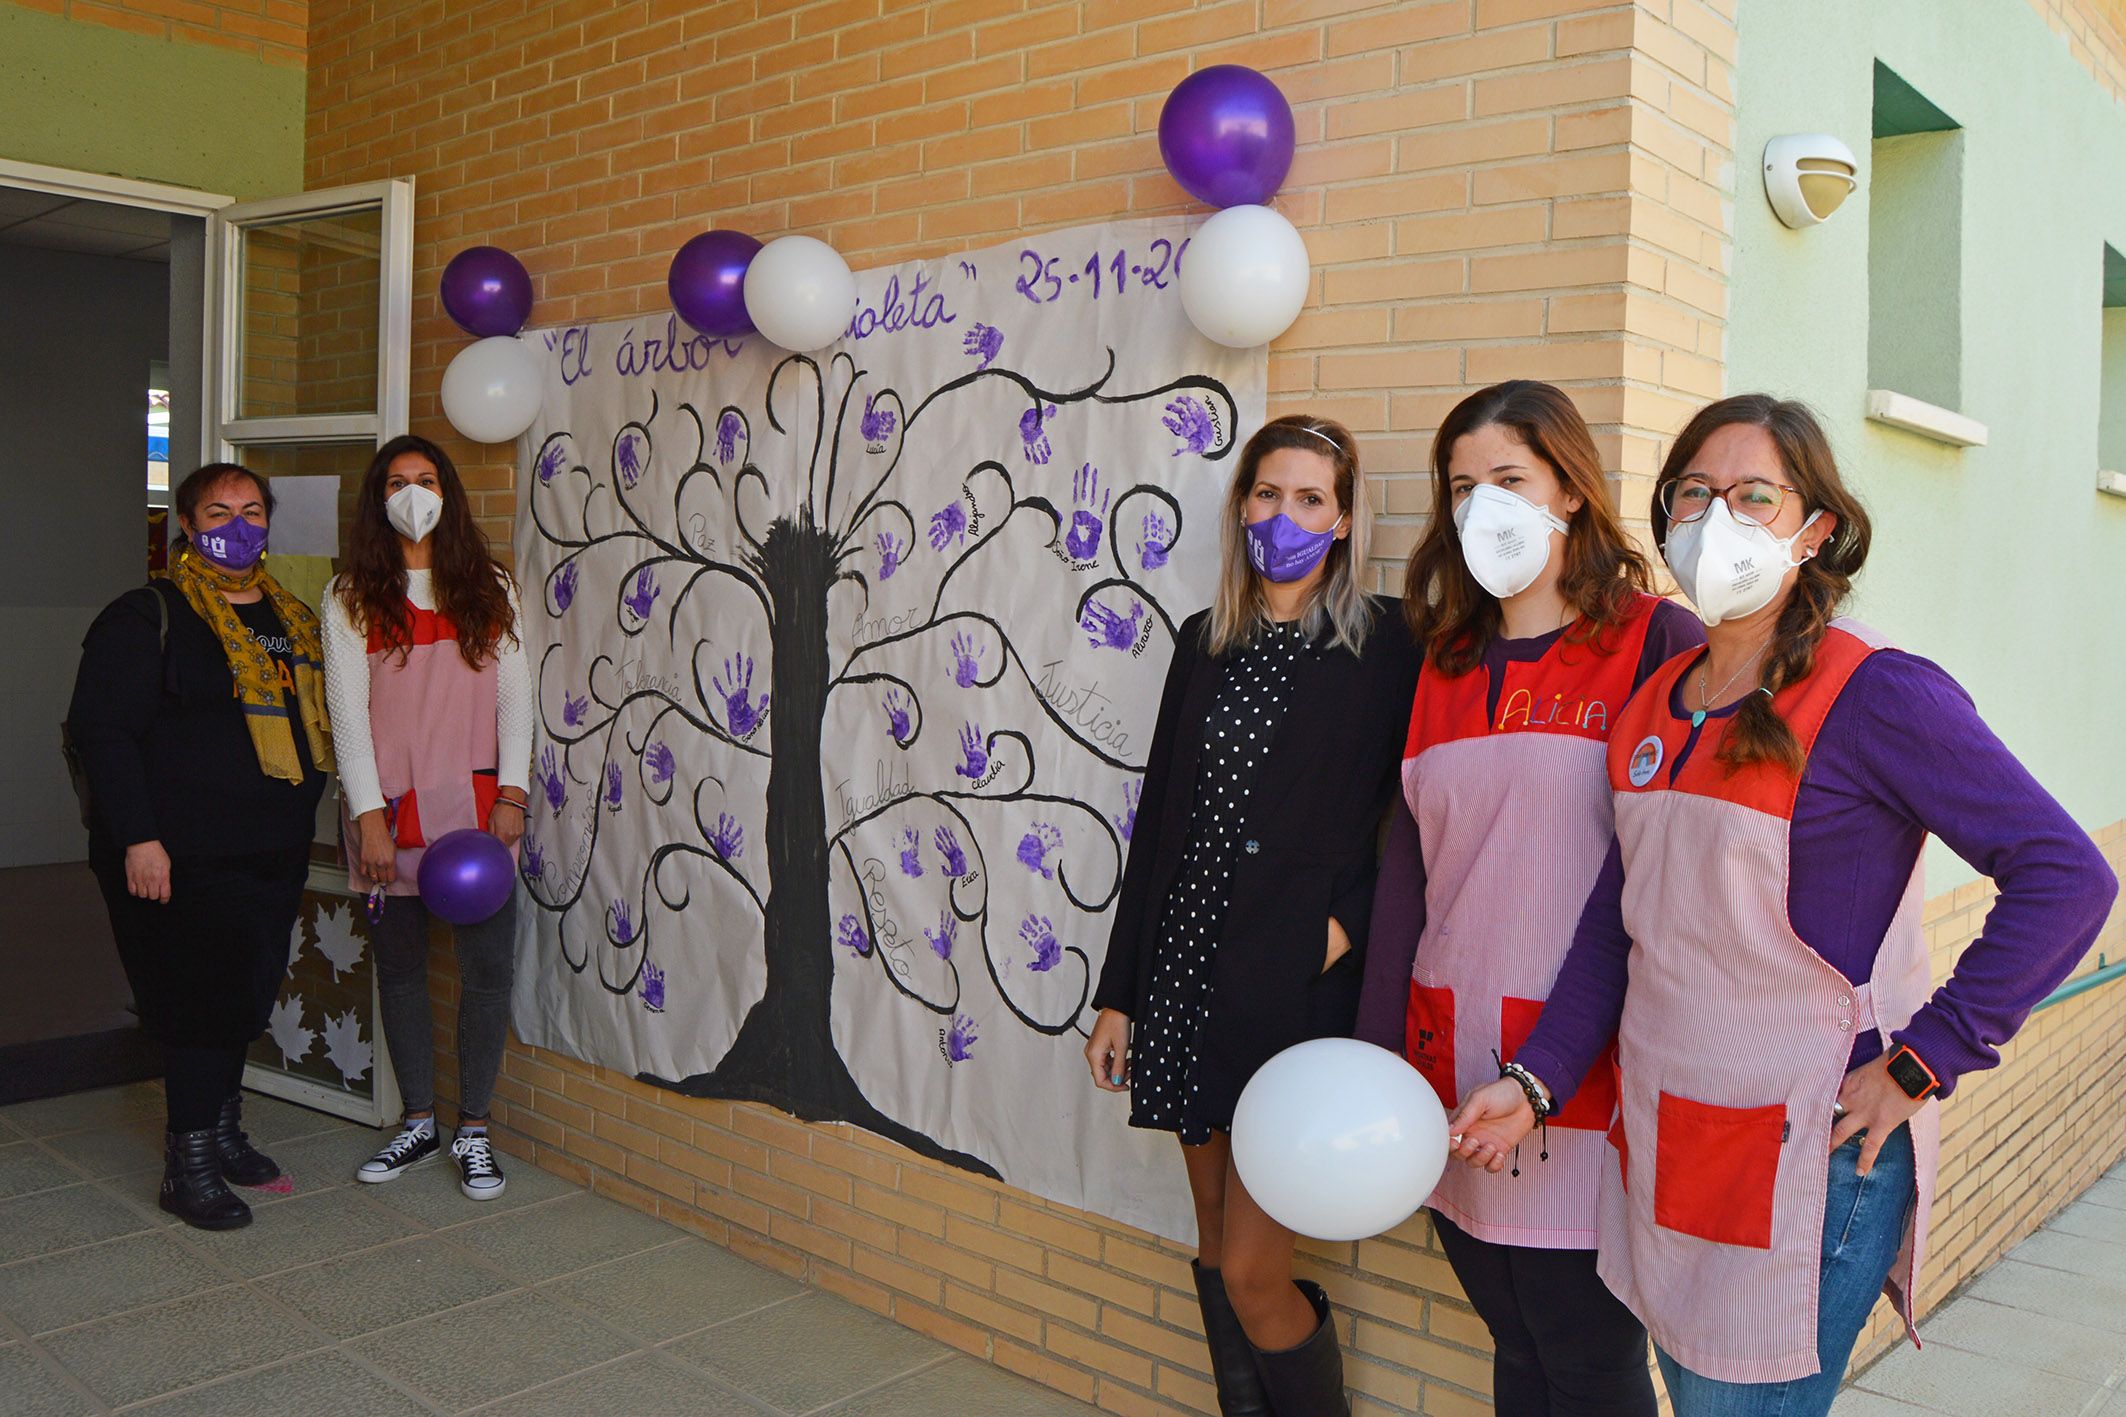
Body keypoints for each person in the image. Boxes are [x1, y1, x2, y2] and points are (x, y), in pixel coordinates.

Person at [1447, 395, 2119, 1417]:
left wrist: (1923, 1058)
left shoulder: (1875, 691)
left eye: (1752, 496)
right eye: (1692, 494)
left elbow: (2066, 875)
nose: (1715, 518)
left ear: (1812, 531)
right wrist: (1534, 1080)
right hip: (1670, 1135)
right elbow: (1615, 925)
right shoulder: (1655, 699)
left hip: (1807, 1156)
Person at [1354, 382, 1702, 1416]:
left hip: (1577, 1058)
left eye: (1508, 479)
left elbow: (1657, 866)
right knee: (1512, 1335)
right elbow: (1406, 870)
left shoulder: (1655, 641)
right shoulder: (1442, 661)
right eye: (1460, 488)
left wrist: (1551, 1057)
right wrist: (1378, 1058)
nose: (1482, 508)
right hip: (1445, 1047)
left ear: (1569, 490)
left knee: (1585, 1353)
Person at [1084, 415, 1420, 1417]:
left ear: (1344, 518)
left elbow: (1417, 820)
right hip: (1185, 970)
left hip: (1289, 984)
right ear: (1240, 509)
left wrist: (1343, 928)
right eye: (1268, 495)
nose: (1285, 515)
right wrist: (1119, 996)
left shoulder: (1388, 645)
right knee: (1210, 1238)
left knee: (1250, 1269)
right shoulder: (1206, 638)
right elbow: (1158, 826)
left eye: (1310, 498)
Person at [67, 463, 333, 1230]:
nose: (239, 524)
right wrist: (139, 838)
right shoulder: (148, 614)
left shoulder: (290, 615)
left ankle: (221, 1132)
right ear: (188, 522)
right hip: (176, 856)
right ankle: (186, 1166)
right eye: (220, 510)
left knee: (244, 994)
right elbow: (103, 733)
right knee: (197, 1004)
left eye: (253, 510)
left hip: (267, 850)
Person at [325, 433, 531, 1201]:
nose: (415, 492)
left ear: (449, 491)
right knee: (403, 972)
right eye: (398, 481)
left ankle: (473, 1129)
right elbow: (346, 717)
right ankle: (418, 1120)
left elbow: (518, 703)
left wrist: (514, 794)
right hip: (391, 820)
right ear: (378, 498)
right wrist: (368, 819)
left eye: (427, 477)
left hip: (480, 817)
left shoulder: (489, 586)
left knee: (487, 972)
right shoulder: (351, 596)